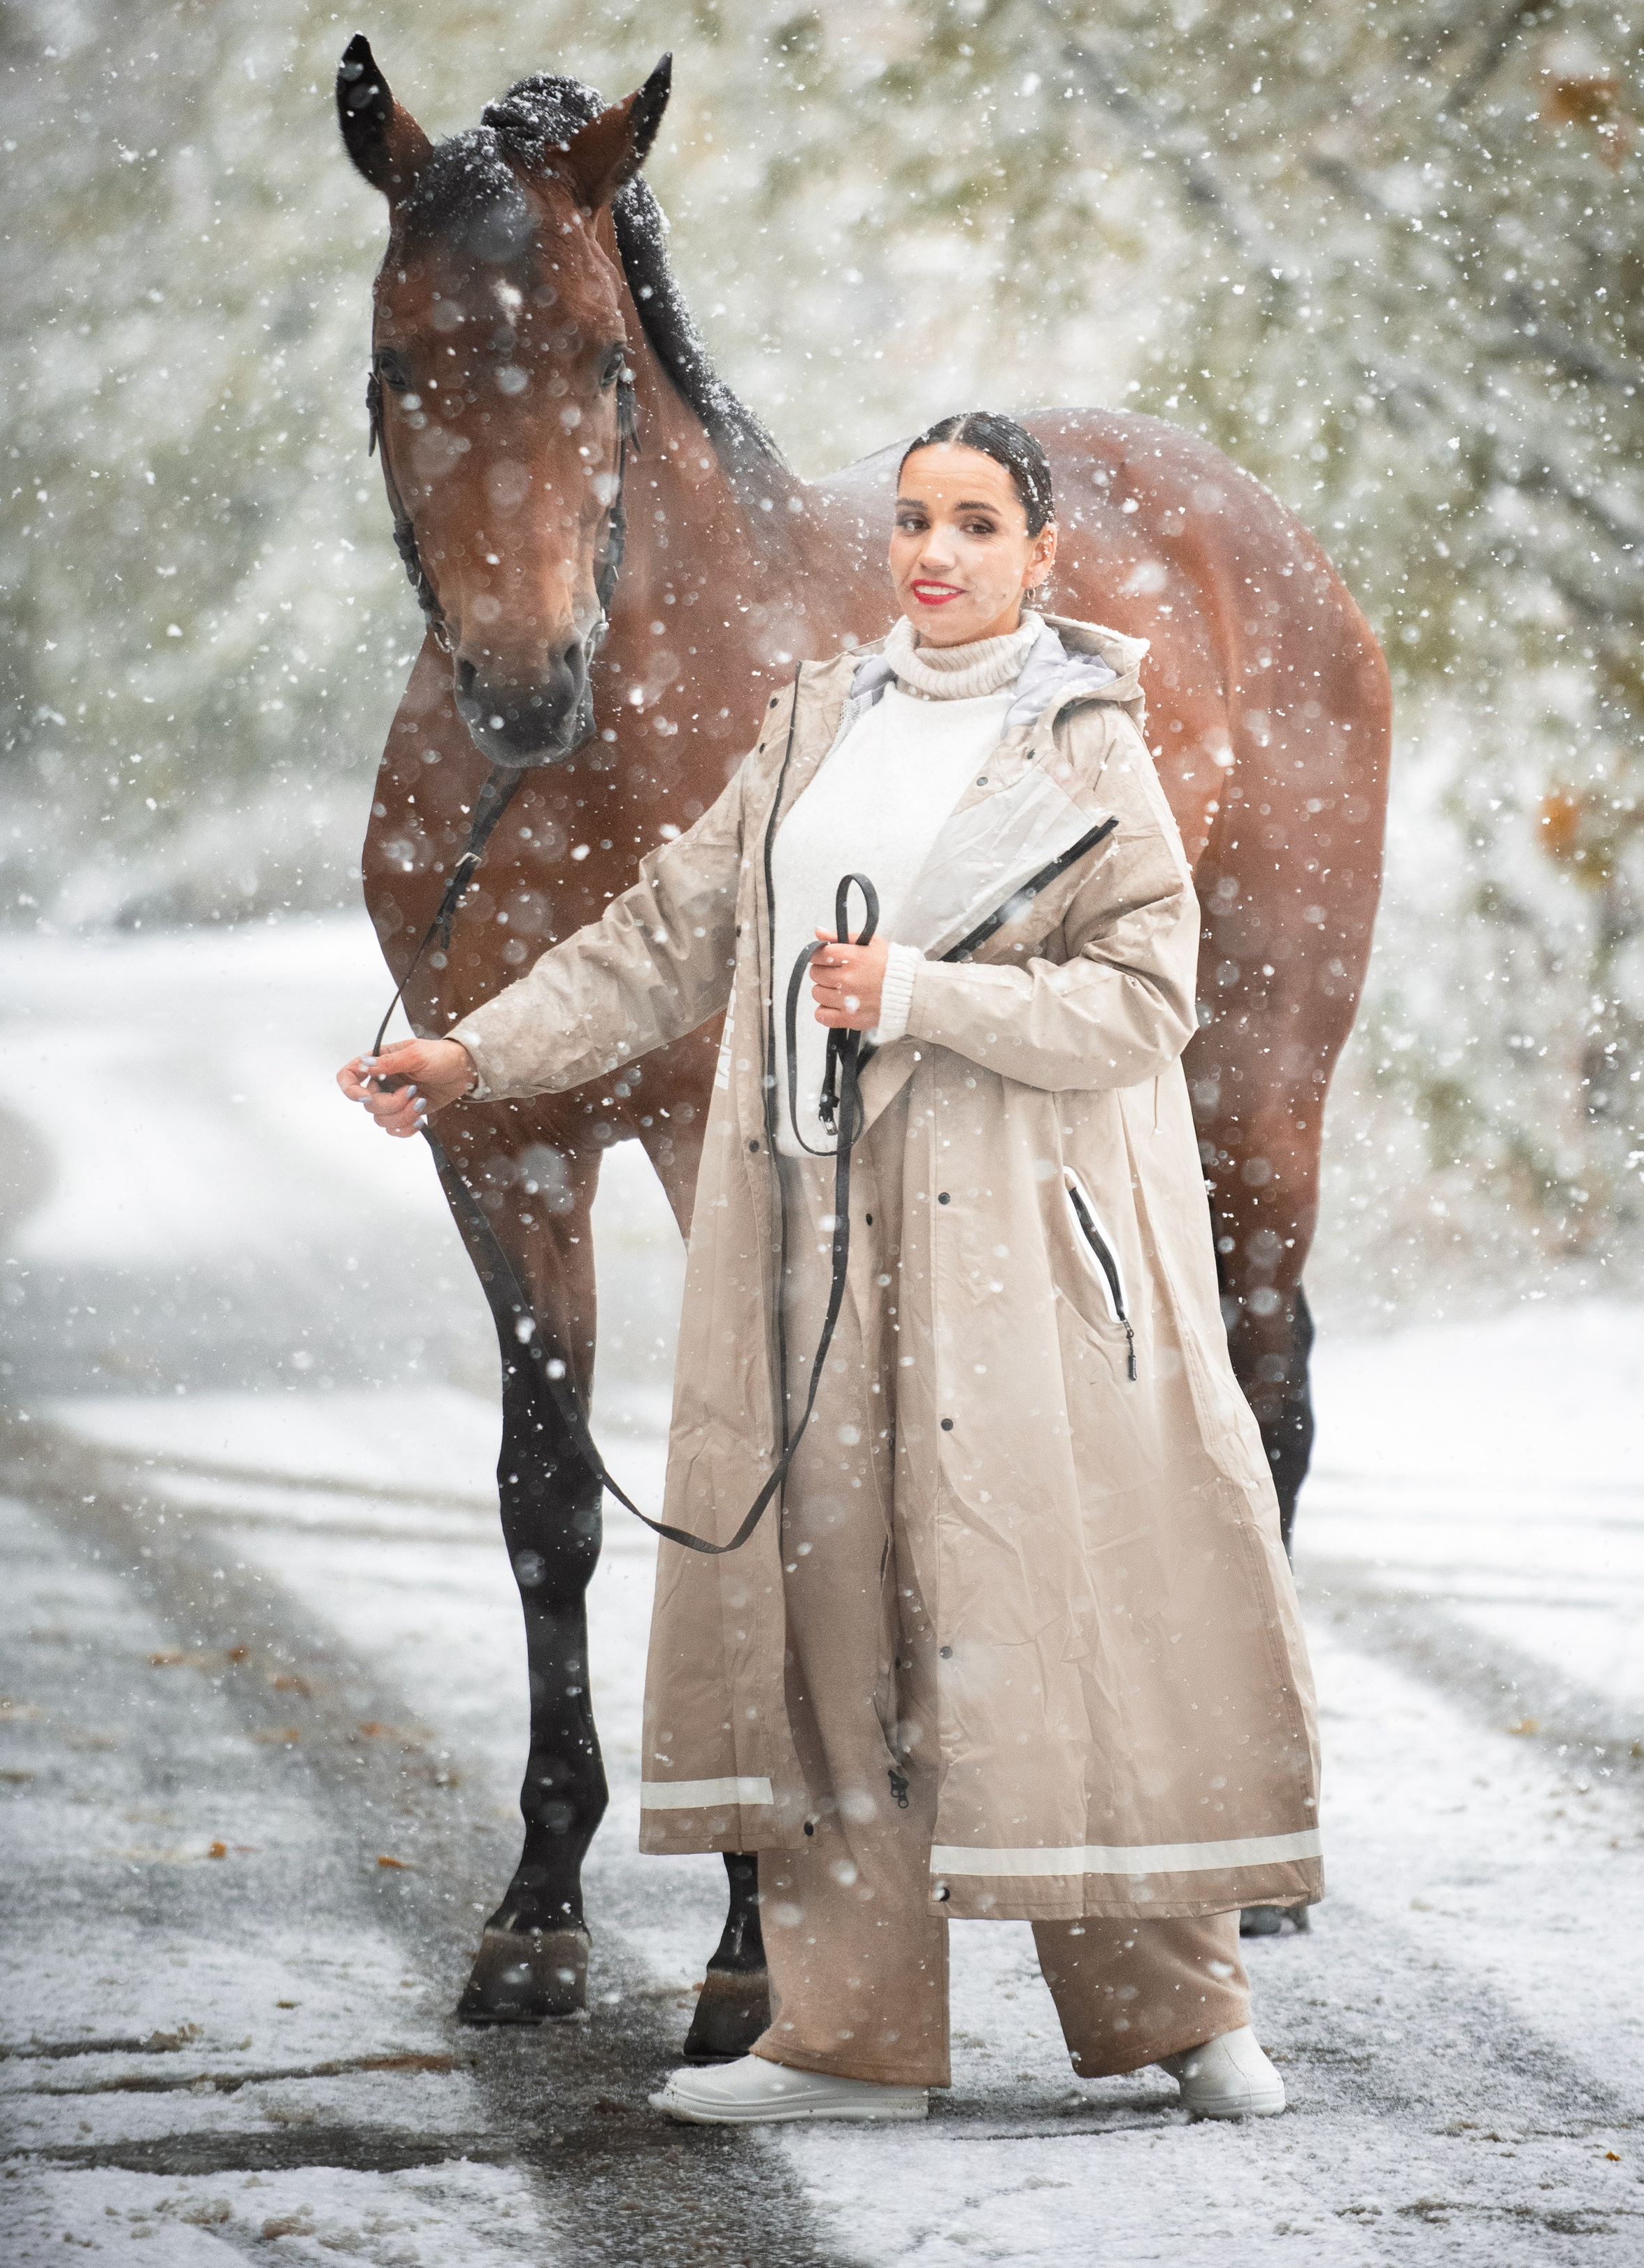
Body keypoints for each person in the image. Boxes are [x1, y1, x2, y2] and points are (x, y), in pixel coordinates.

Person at [340, 411, 1322, 2126]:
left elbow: (1146, 1002)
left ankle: (1179, 2009)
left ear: (1036, 556)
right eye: (913, 522)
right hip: (815, 1235)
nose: (932, 555)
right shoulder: (812, 728)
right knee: (830, 1619)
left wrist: (924, 998)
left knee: (1062, 1601)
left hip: (1026, 1249)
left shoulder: (1085, 743)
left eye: (974, 526)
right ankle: (845, 2037)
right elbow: (664, 938)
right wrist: (471, 1056)